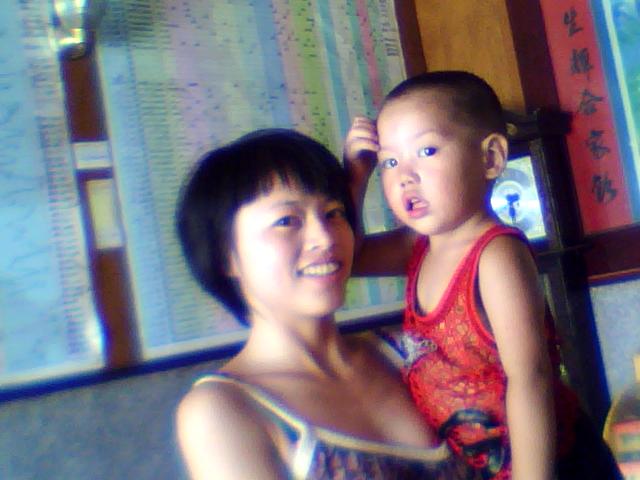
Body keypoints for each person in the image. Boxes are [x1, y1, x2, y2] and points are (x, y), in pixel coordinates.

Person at [344, 71, 623, 479]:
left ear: (490, 158)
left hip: (555, 465)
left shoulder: (495, 255)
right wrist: (355, 177)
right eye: (389, 161)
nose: (404, 175)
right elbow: (347, 256)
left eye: (426, 151)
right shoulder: (417, 247)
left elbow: (529, 379)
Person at [173, 128, 477, 480]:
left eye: (333, 213)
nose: (325, 237)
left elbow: (463, 242)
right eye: (286, 221)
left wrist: (358, 184)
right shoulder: (222, 410)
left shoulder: (405, 353)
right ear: (226, 256)